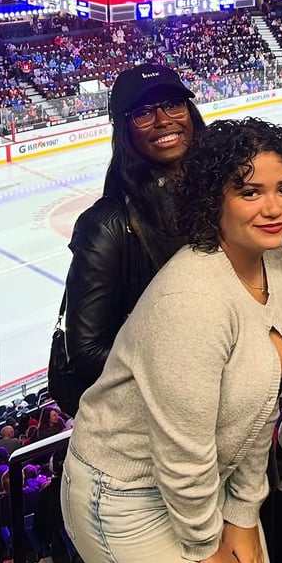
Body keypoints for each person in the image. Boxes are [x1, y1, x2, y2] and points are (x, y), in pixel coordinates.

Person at [61, 118, 282, 563]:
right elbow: (182, 448)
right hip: (128, 496)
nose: (274, 208)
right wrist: (205, 542)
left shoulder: (279, 263)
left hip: (204, 487)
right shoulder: (192, 299)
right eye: (249, 192)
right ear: (212, 199)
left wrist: (242, 514)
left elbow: (260, 406)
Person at [64, 63, 204, 408]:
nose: (163, 120)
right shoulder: (106, 224)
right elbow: (86, 353)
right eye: (143, 112)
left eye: (173, 104)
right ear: (124, 128)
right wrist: (195, 360)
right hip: (157, 411)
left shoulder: (224, 196)